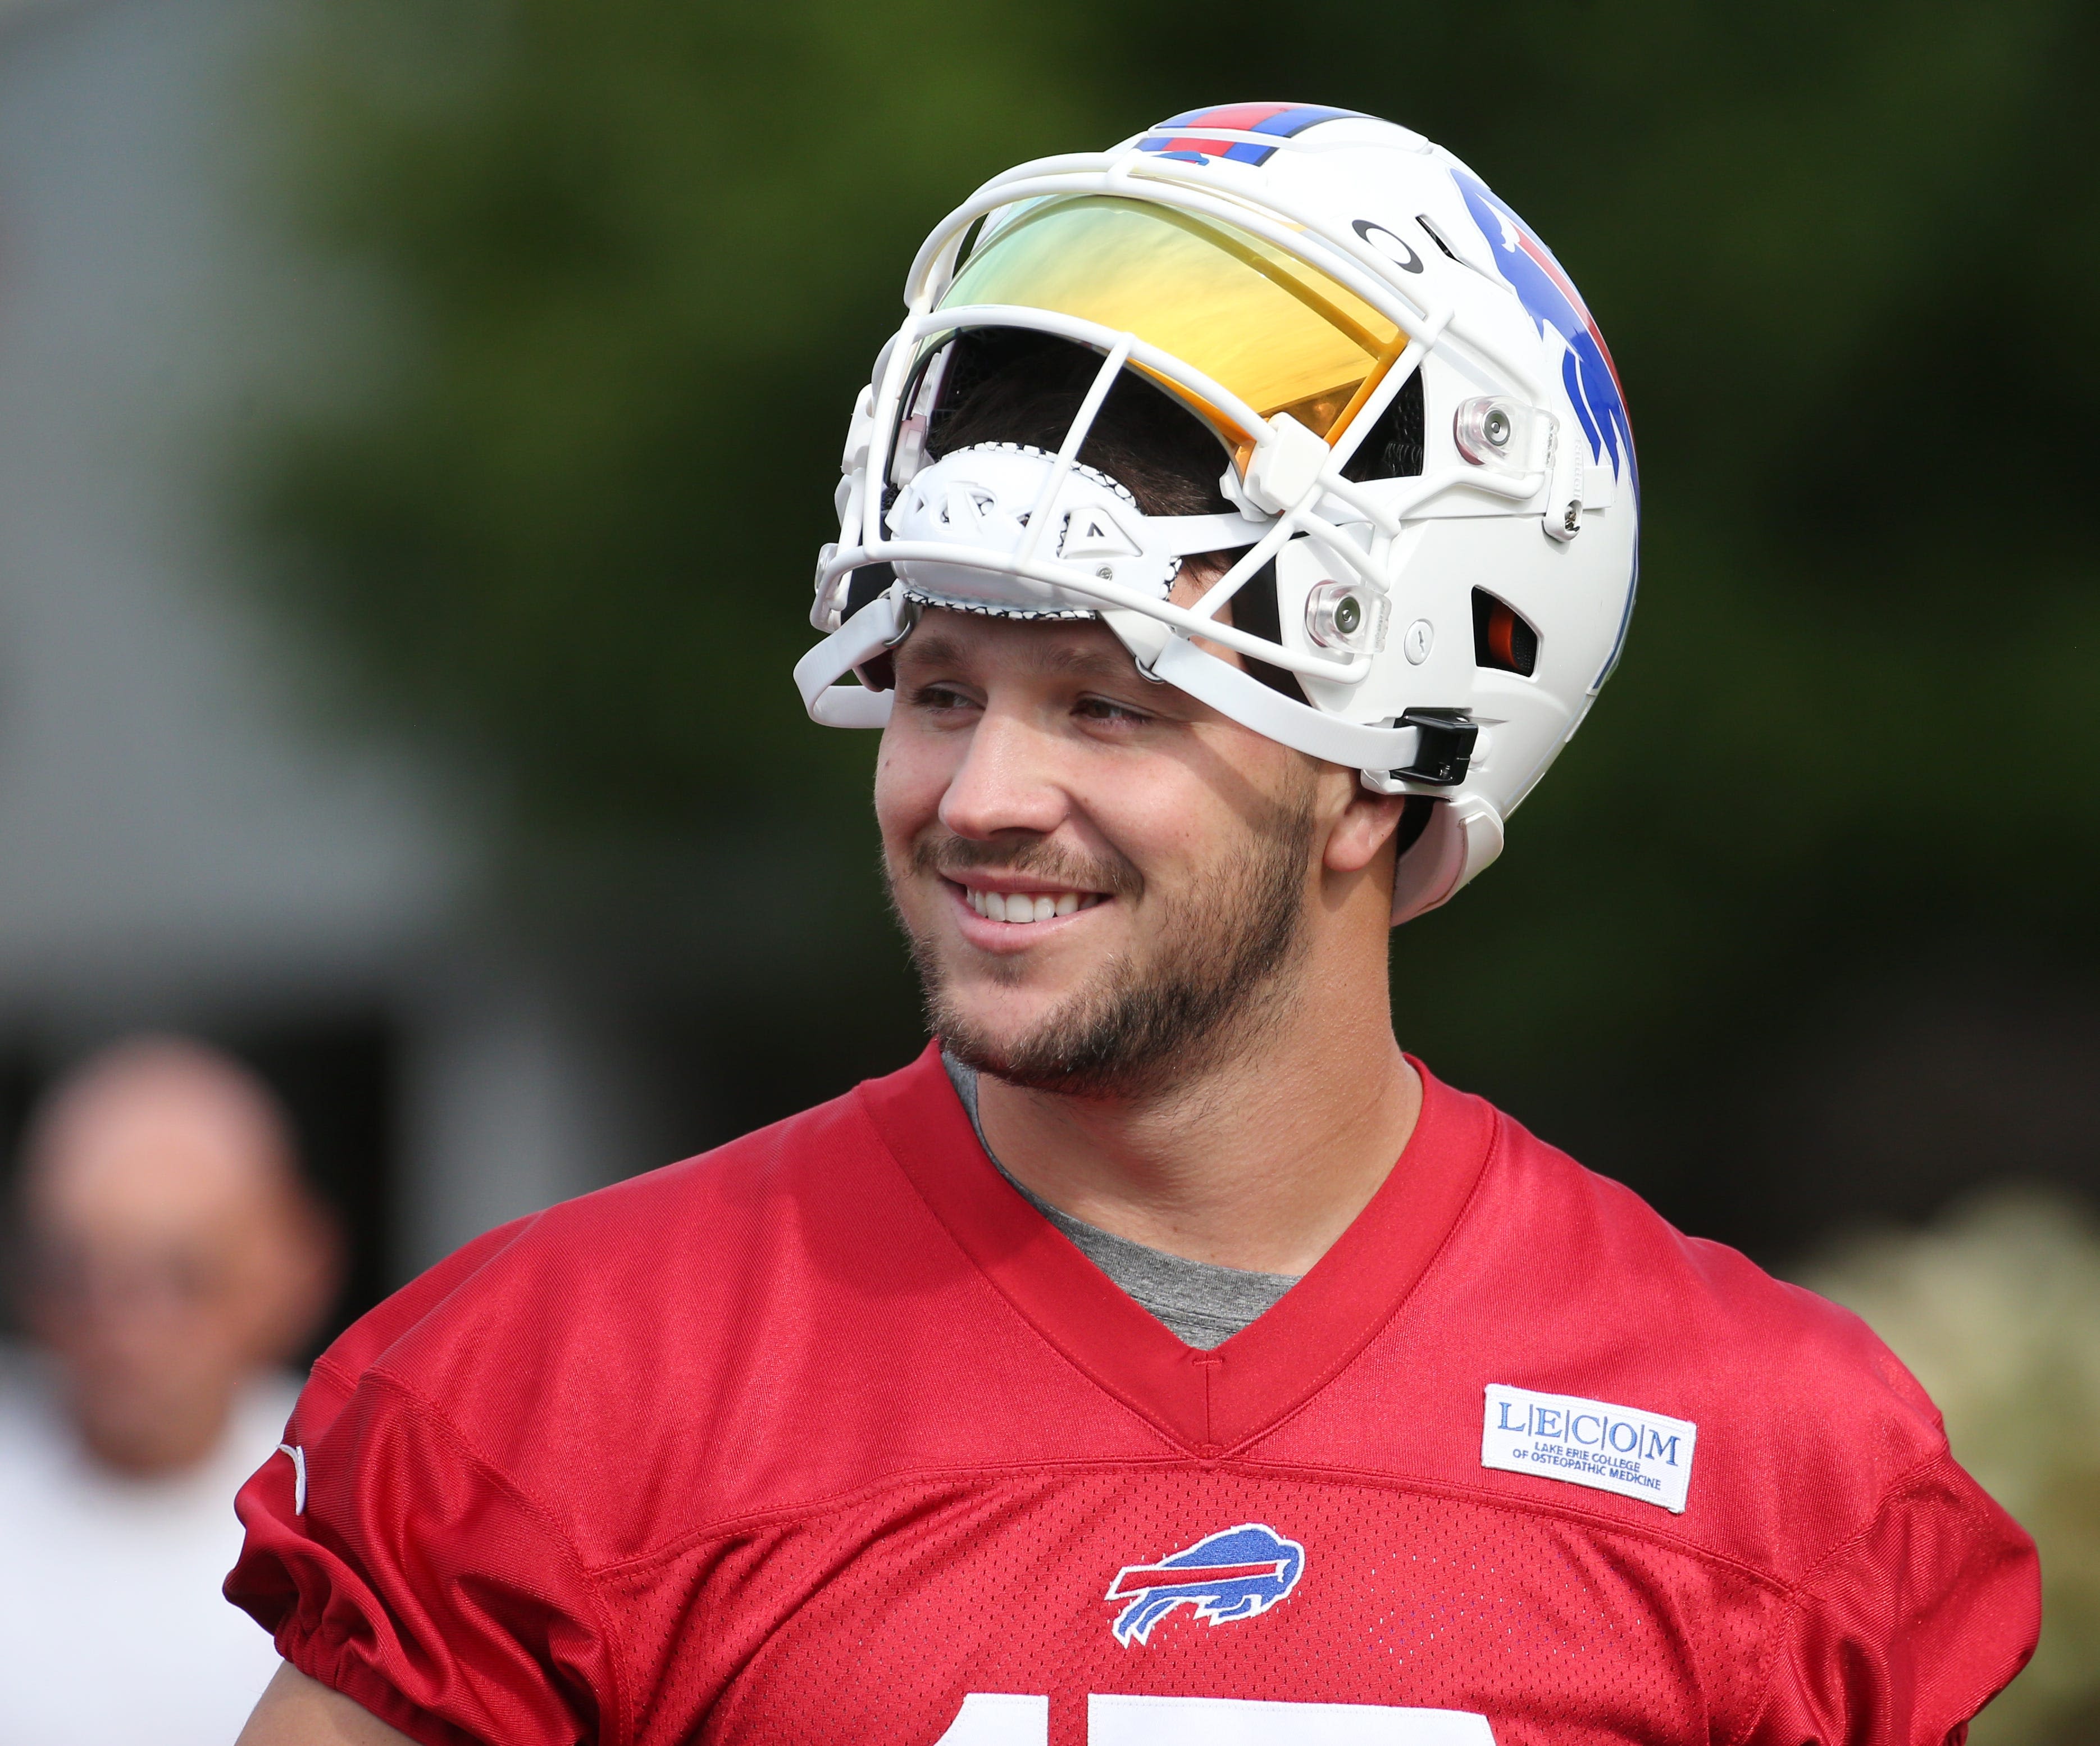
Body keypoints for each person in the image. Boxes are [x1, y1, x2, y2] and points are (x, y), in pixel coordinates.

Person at [229, 105, 2039, 1746]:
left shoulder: (1771, 1461)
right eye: (939, 688)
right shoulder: (558, 1388)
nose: (979, 793)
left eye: (1109, 703)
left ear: (1377, 775)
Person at [0, 1036, 337, 1746]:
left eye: (182, 1274)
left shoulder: (352, 1506)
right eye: (77, 1273)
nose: (125, 1324)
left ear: (291, 1267)